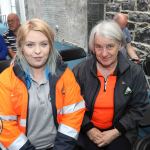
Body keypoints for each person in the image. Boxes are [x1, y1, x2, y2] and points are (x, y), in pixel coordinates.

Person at [0, 18, 85, 150]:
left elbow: (73, 114)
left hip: (59, 146)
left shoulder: (65, 75)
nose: (38, 51)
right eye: (30, 45)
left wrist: (61, 148)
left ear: (51, 46)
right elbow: (5, 125)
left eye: (44, 44)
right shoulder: (6, 80)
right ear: (21, 47)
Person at [73, 20, 148, 150]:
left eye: (110, 46)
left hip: (121, 130)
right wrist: (88, 128)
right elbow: (71, 104)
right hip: (85, 128)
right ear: (93, 47)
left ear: (119, 45)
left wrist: (116, 131)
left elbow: (139, 107)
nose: (104, 53)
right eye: (98, 46)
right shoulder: (80, 71)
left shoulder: (135, 73)